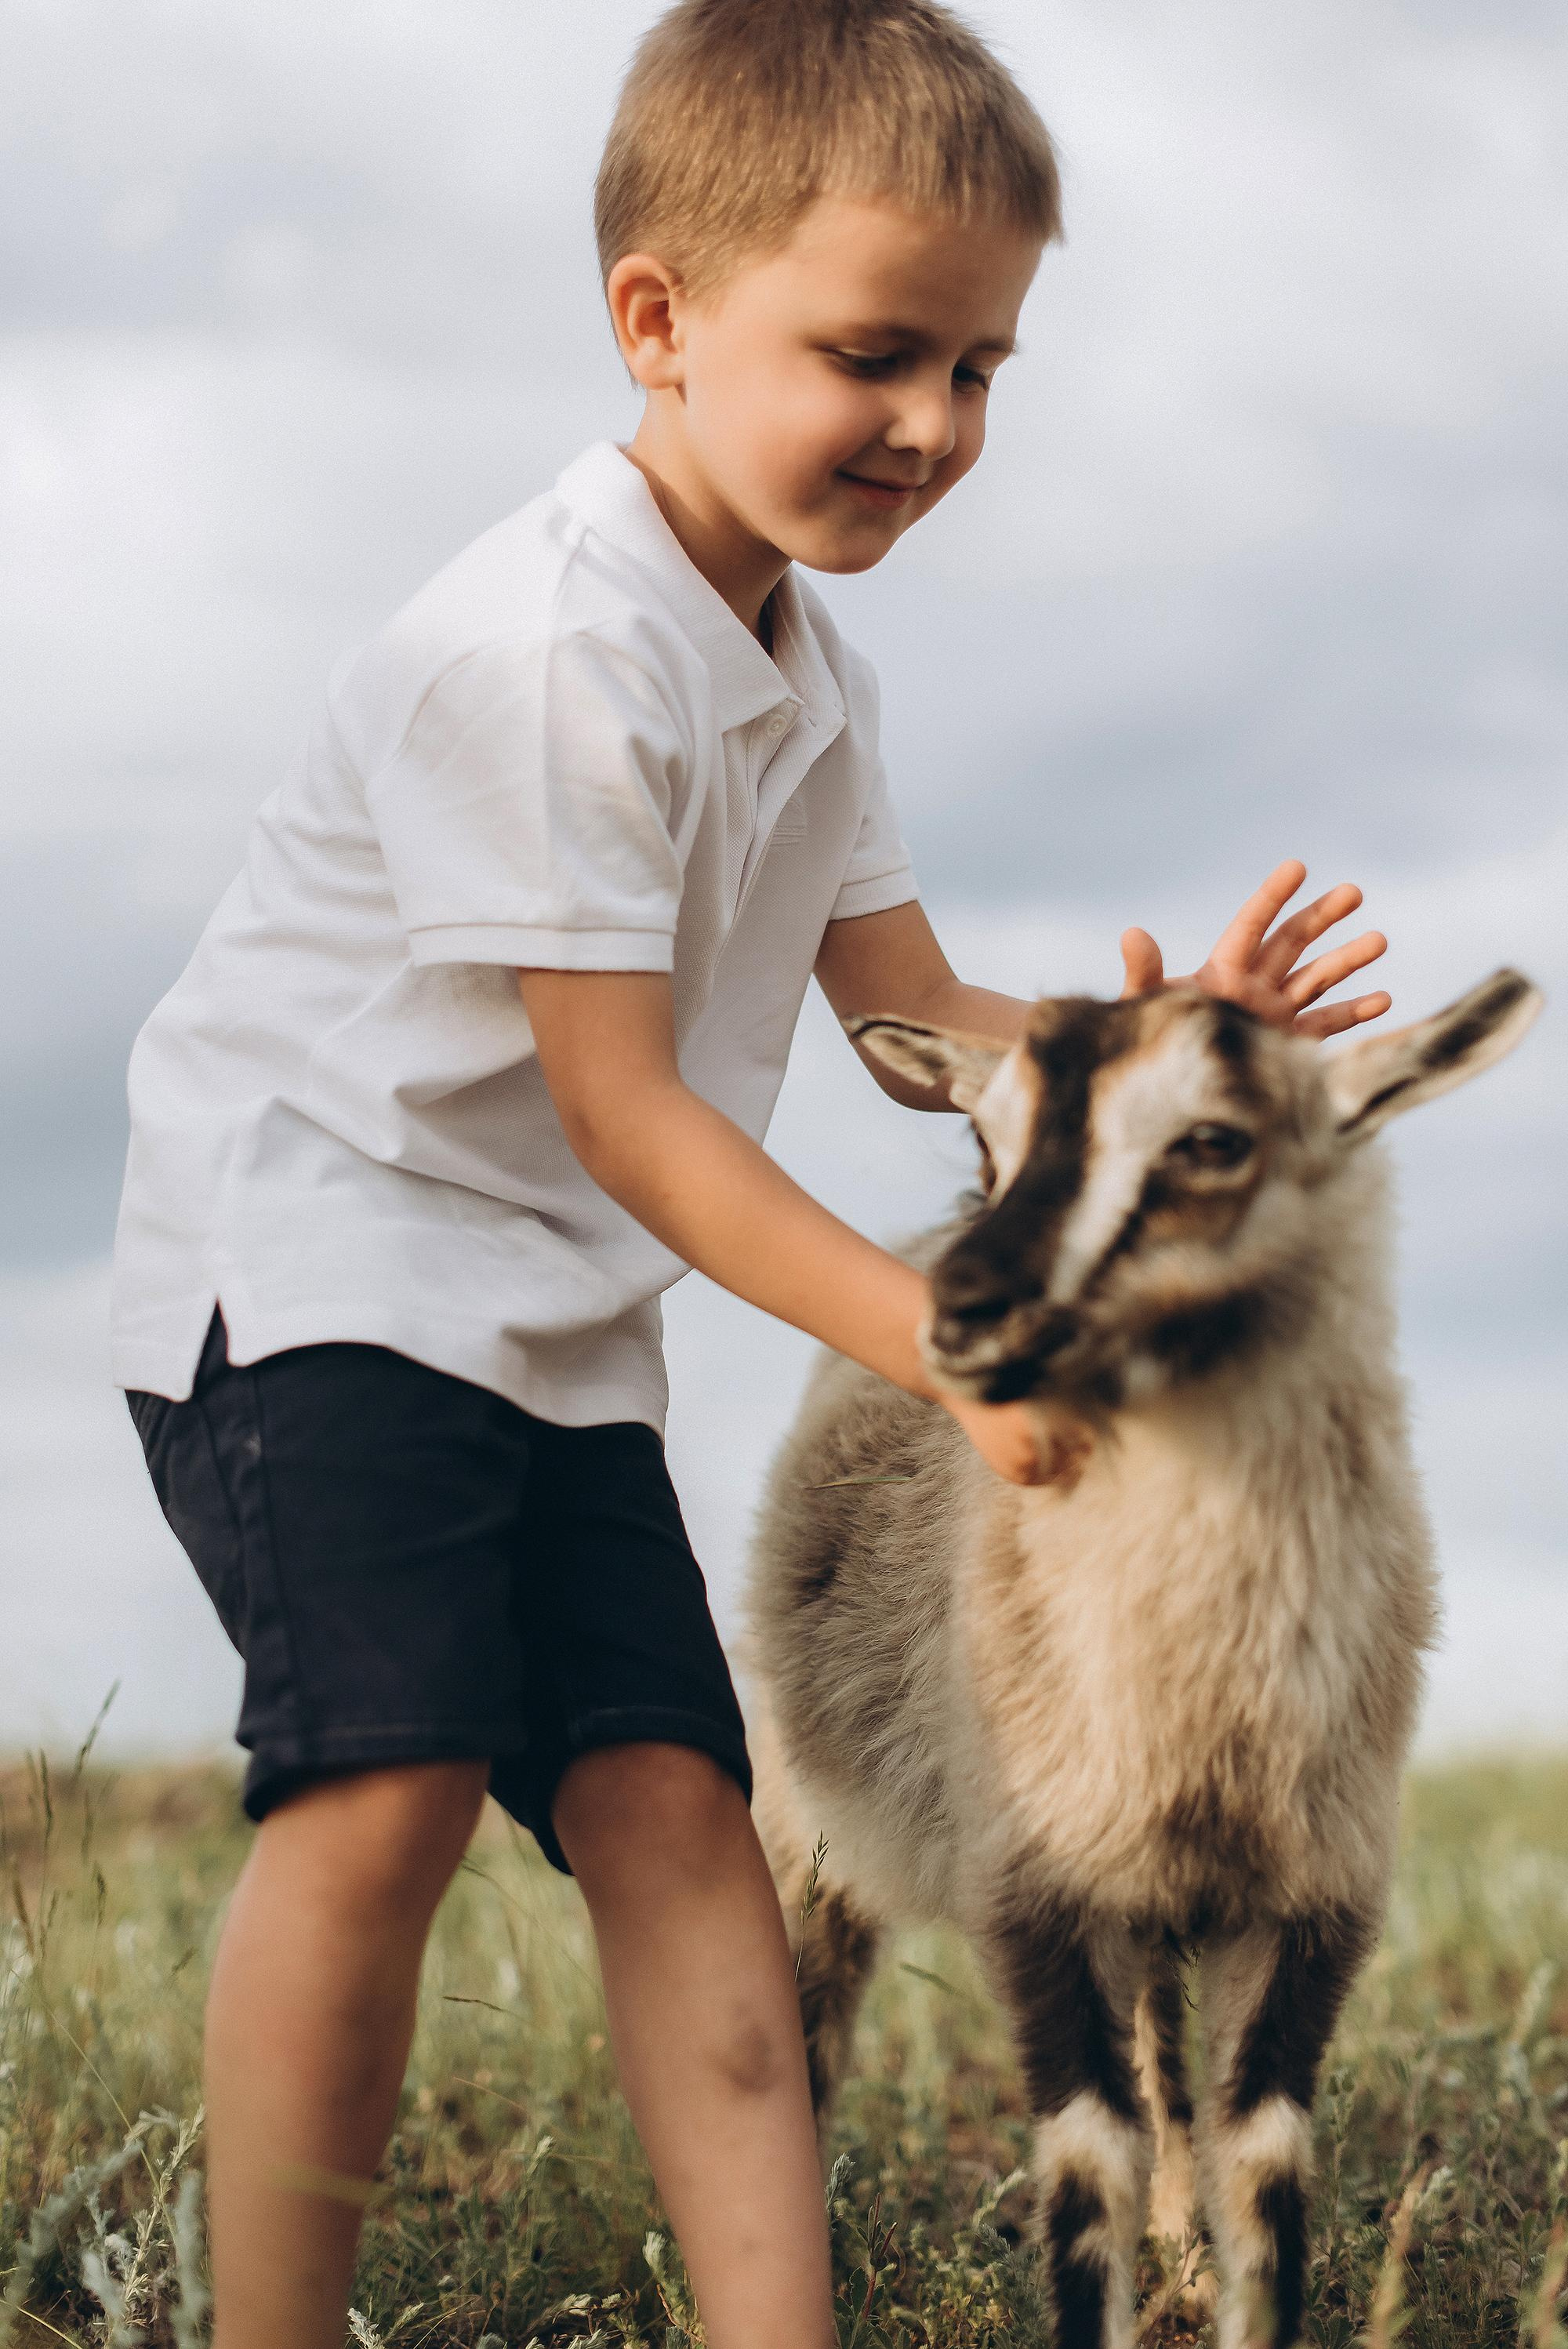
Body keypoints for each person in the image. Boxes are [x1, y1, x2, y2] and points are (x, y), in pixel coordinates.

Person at [111, 4, 1392, 2344]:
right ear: (659, 321)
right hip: (317, 1279)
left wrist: (1169, 1063)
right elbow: (630, 1110)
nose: (933, 424)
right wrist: (942, 1339)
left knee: (692, 1826)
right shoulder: (547, 657)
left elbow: (917, 1029)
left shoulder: (808, 675)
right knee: (379, 1796)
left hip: (551, 1327)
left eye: (984, 369)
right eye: (877, 352)